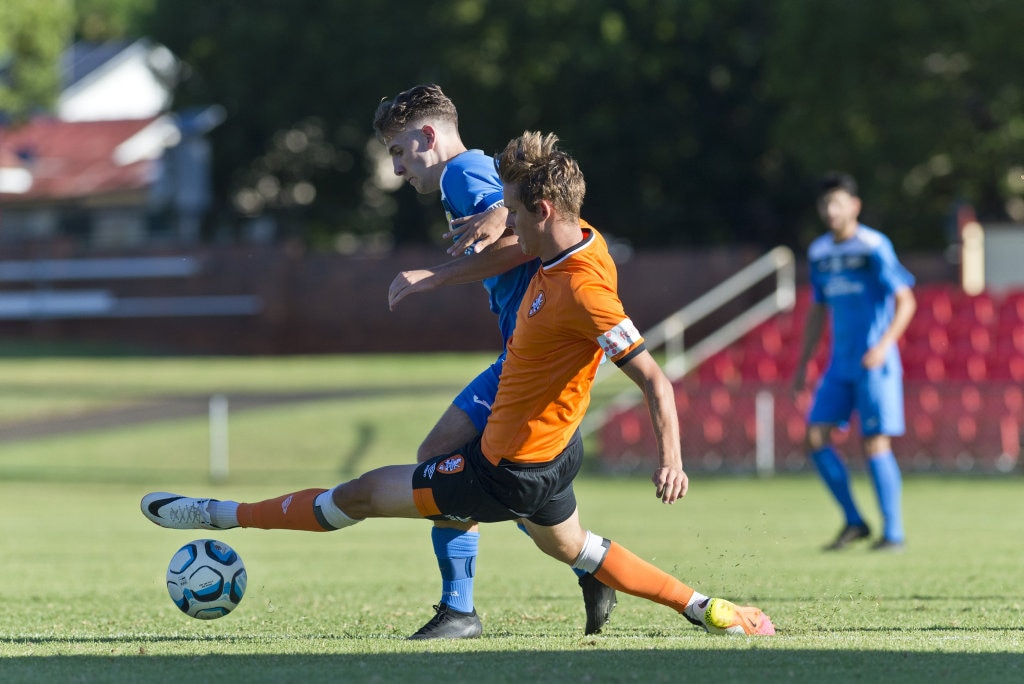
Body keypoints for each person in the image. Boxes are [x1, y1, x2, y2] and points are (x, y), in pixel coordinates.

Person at [142, 130, 775, 638]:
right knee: (575, 547)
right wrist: (486, 230)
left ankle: (221, 515)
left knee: (361, 495)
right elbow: (523, 238)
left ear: (544, 211)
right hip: (555, 452)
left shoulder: (584, 291)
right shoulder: (580, 242)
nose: (506, 229)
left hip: (505, 473)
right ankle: (707, 607)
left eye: (514, 217)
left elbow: (655, 380)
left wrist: (671, 459)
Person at [383, 84, 616, 638]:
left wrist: (433, 278)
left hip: (531, 358)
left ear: (428, 135)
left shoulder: (463, 174)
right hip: (527, 353)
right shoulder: (469, 174)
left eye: (398, 151)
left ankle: (459, 610)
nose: (396, 169)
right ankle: (593, 566)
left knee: (439, 457)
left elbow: (532, 241)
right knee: (510, 495)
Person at [792, 171, 917, 552]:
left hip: (874, 363)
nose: (831, 210)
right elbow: (818, 308)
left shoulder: (873, 246)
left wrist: (883, 345)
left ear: (854, 206)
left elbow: (906, 300)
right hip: (839, 364)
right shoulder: (820, 253)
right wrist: (802, 364)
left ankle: (893, 532)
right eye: (825, 204)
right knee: (814, 437)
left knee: (874, 443)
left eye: (837, 203)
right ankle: (854, 520)